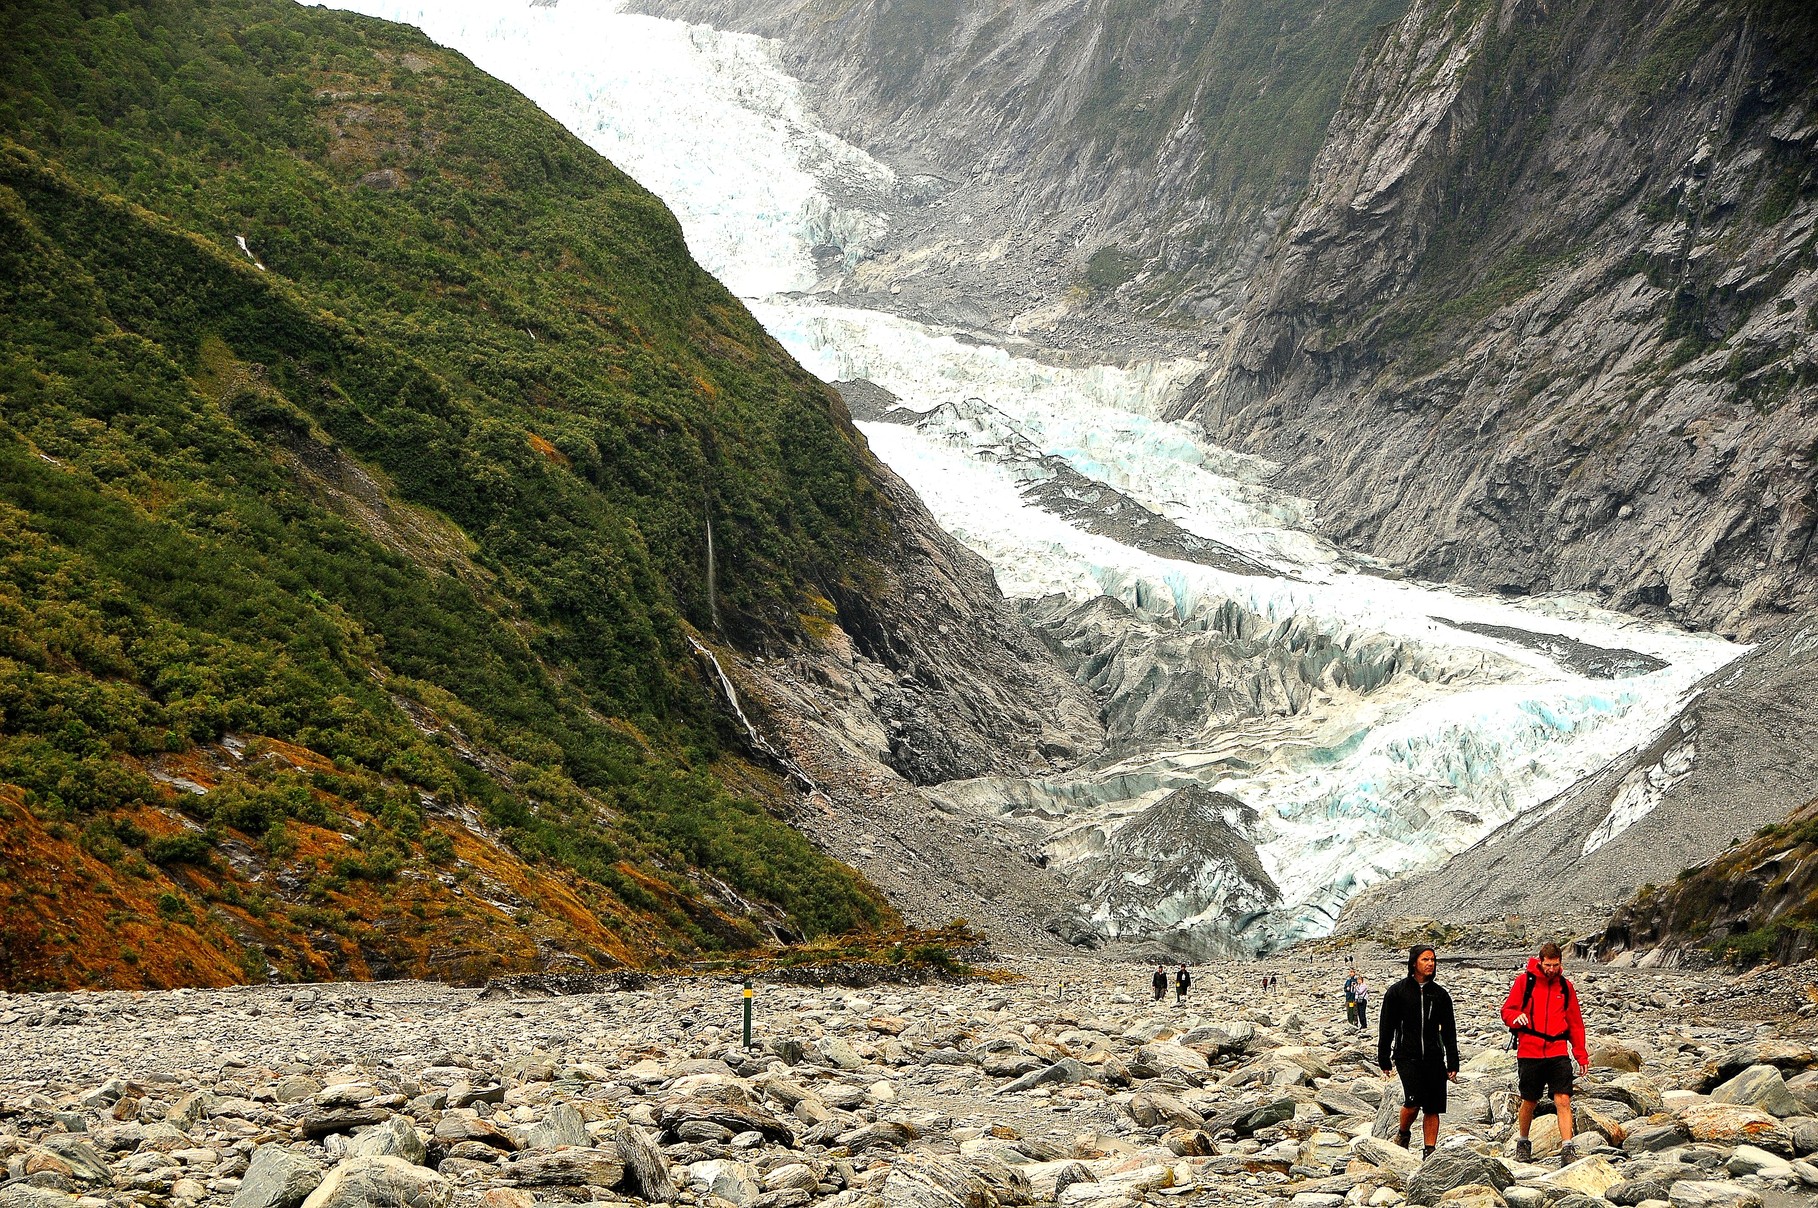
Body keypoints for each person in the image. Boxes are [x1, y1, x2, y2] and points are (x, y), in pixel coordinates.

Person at [1500, 941, 1588, 1163]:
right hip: (1530, 1051)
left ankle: (1568, 1148)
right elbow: (1507, 1010)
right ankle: (1523, 1142)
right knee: (1529, 1100)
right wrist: (1515, 1017)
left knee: (1563, 1099)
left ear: (1560, 963)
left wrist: (1580, 1054)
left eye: (1555, 965)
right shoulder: (1525, 982)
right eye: (1548, 965)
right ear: (1540, 962)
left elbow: (1575, 1023)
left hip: (1558, 1050)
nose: (1551, 969)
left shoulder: (1565, 988)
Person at [1378, 944, 1460, 1158]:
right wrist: (1384, 1058)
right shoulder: (1397, 992)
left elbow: (1449, 1030)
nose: (1430, 964)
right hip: (1407, 1055)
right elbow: (1386, 1027)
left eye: (1433, 960)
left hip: (1433, 1056)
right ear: (1414, 963)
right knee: (1413, 1102)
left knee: (1433, 1107)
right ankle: (1403, 1133)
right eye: (1425, 959)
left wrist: (1452, 1061)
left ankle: (1429, 1151)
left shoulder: (1440, 995)